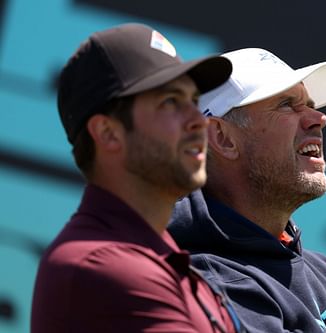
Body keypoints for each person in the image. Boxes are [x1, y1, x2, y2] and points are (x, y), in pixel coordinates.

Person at [31, 23, 244, 333]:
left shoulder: (159, 257)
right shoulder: (102, 266)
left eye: (194, 101)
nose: (199, 120)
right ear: (108, 133)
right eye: (170, 102)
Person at [168, 48, 326, 332]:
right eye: (287, 104)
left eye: (309, 104)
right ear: (223, 138)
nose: (318, 118)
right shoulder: (206, 280)